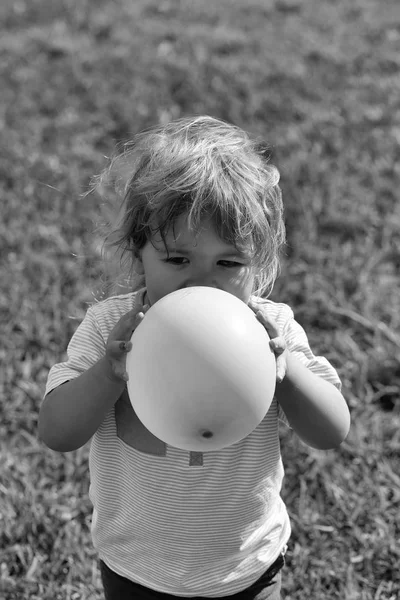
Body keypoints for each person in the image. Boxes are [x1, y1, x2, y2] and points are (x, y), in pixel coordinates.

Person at [39, 115, 351, 600]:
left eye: (228, 264)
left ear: (260, 264)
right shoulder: (109, 329)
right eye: (178, 260)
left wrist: (286, 374)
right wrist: (108, 373)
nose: (202, 283)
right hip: (136, 569)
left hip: (246, 568)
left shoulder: (271, 331)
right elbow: (57, 432)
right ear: (138, 250)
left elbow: (331, 431)